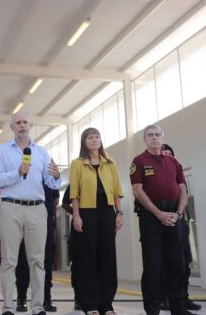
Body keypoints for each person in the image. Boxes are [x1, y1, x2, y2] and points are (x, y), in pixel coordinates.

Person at [0, 112, 61, 315]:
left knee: (37, 260)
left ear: (29, 126)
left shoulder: (40, 152)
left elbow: (49, 182)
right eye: (18, 123)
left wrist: (56, 176)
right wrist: (18, 172)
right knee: (9, 261)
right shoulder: (3, 151)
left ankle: (38, 307)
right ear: (12, 127)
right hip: (11, 207)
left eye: (25, 122)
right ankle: (7, 307)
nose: (22, 125)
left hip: (37, 208)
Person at [130, 125, 194, 315]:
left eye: (158, 135)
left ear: (163, 137)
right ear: (145, 140)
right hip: (151, 216)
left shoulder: (173, 162)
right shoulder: (139, 161)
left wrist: (179, 213)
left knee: (177, 263)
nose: (154, 138)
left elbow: (183, 189)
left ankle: (178, 307)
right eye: (150, 135)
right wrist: (158, 213)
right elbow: (137, 190)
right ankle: (153, 309)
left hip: (174, 214)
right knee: (153, 265)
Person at [70, 128, 125, 315]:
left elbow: (117, 191)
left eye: (96, 137)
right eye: (89, 137)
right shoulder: (77, 164)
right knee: (87, 258)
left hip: (107, 213)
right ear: (84, 142)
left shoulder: (110, 164)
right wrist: (76, 216)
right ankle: (90, 304)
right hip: (86, 213)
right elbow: (74, 194)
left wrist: (119, 213)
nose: (94, 140)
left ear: (101, 140)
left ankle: (106, 304)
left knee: (107, 257)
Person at [159, 144, 201, 312]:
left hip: (181, 222)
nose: (168, 156)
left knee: (185, 262)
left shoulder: (178, 175)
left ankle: (184, 298)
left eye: (171, 154)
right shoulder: (158, 178)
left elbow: (184, 196)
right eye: (165, 153)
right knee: (167, 264)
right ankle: (166, 299)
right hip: (164, 223)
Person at [15, 183, 59, 313]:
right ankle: (21, 299)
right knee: (23, 261)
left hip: (46, 223)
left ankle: (46, 299)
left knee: (45, 263)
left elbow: (56, 200)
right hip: (27, 222)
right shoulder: (28, 173)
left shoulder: (49, 177)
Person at [60, 186, 81, 311]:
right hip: (79, 227)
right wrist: (77, 213)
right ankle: (78, 298)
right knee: (78, 266)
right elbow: (64, 204)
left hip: (98, 225)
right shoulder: (75, 181)